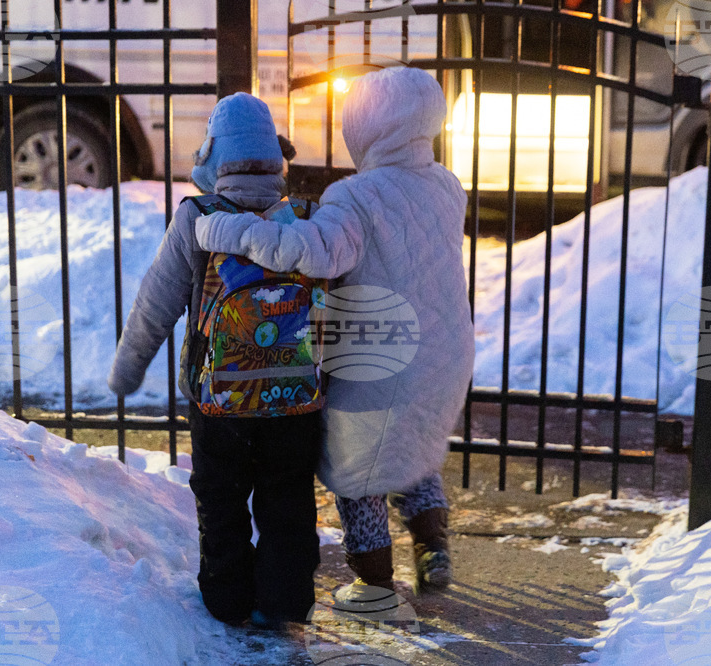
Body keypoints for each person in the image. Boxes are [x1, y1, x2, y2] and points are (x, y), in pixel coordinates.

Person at [193, 67, 475, 596]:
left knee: (355, 466)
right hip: (448, 354)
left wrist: (233, 230)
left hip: (382, 354)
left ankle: (375, 580)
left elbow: (311, 253)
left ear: (366, 127)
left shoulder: (355, 197)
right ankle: (432, 541)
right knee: (408, 447)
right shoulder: (447, 186)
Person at [107, 92, 322, 628]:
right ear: (276, 153)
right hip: (295, 401)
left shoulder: (197, 217)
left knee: (221, 500)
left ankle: (227, 598)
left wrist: (127, 368)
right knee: (288, 496)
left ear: (213, 154)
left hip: (217, 402)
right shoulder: (303, 220)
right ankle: (286, 599)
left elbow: (155, 305)